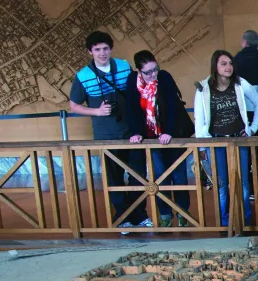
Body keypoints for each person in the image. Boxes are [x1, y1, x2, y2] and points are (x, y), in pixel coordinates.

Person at [68, 31, 150, 231]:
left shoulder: (123, 66)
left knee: (138, 176)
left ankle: (139, 217)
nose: (102, 53)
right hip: (105, 135)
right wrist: (97, 111)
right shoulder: (83, 76)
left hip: (132, 132)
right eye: (97, 49)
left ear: (111, 49)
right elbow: (74, 106)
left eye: (105, 48)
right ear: (90, 52)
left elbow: (136, 91)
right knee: (114, 179)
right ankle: (124, 219)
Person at [193, 50, 258, 227]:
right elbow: (199, 119)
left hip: (239, 140)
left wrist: (252, 129)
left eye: (230, 63)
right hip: (216, 142)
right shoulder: (203, 87)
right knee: (222, 185)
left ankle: (245, 221)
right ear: (215, 66)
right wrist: (201, 148)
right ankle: (225, 223)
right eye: (223, 63)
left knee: (244, 184)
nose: (228, 67)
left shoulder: (240, 83)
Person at [125, 50, 192, 227]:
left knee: (179, 176)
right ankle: (165, 215)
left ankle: (183, 213)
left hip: (173, 135)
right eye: (148, 72)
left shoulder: (164, 77)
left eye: (155, 69)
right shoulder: (133, 81)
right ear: (138, 71)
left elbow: (173, 106)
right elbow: (131, 108)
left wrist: (168, 131)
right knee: (159, 176)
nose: (153, 74)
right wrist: (135, 132)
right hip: (151, 137)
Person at [234, 29, 258, 201]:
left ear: (244, 42)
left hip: (240, 112)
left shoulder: (234, 62)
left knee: (242, 150)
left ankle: (245, 187)